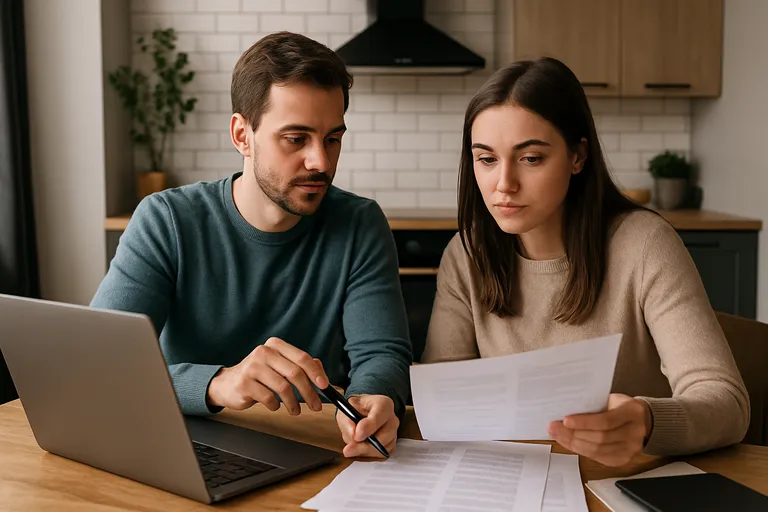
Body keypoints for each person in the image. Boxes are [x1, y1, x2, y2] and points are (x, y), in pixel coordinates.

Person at [91, 32, 412, 459]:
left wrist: (376, 399)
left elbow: (382, 353)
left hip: (306, 450)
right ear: (242, 135)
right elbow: (99, 366)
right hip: (177, 447)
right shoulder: (166, 219)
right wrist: (219, 383)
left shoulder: (359, 223)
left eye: (332, 138)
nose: (321, 161)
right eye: (296, 139)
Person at [422, 57, 749, 466]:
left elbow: (728, 403)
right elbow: (446, 402)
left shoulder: (644, 244)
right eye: (486, 159)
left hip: (626, 483)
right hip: (510, 480)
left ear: (578, 156)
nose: (503, 184)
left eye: (531, 158)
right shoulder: (465, 253)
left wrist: (647, 422)